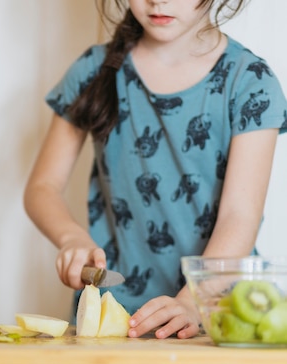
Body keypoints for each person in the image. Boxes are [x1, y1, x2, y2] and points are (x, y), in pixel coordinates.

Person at [23, 0, 287, 339]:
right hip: (110, 319)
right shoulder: (93, 69)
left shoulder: (250, 82)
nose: (158, 0)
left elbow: (240, 216)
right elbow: (42, 187)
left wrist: (193, 301)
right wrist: (70, 238)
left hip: (219, 316)